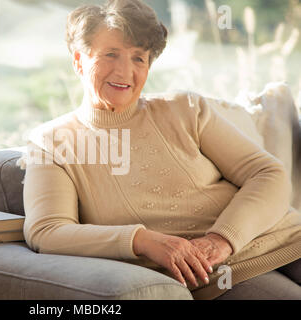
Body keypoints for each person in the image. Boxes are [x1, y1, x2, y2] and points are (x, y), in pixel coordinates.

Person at [22, 0, 301, 300]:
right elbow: (48, 230)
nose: (124, 70)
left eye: (139, 58)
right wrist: (141, 240)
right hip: (220, 274)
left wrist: (222, 239)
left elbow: (267, 173)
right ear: (79, 60)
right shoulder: (52, 143)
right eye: (111, 54)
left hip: (287, 237)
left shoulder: (185, 109)